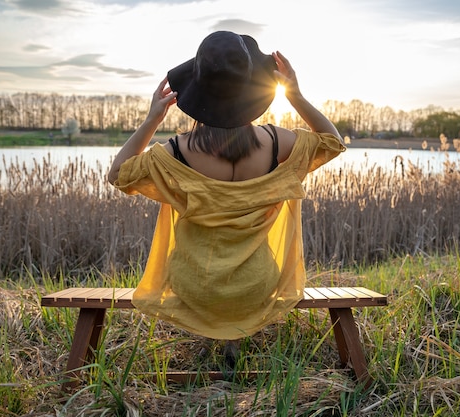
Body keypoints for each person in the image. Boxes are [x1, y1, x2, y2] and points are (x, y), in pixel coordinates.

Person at [108, 31, 345, 345]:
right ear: (250, 88)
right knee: (248, 287)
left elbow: (118, 175)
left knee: (203, 288)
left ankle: (216, 344)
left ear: (198, 87)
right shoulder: (275, 142)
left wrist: (153, 117)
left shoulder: (176, 152)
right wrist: (295, 96)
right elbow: (332, 143)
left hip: (194, 287)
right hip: (257, 285)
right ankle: (233, 345)